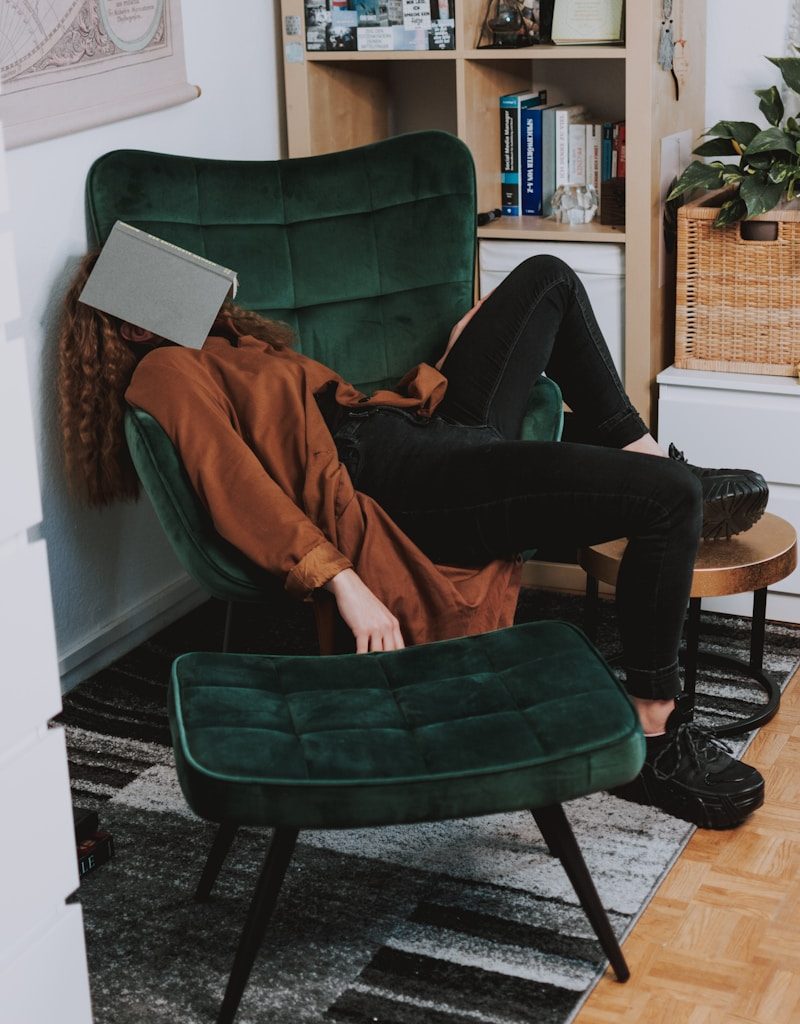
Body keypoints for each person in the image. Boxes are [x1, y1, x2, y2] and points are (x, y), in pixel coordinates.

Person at [58, 250, 769, 830]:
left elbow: (329, 407)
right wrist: (345, 582)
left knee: (547, 277)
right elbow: (237, 486)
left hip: (418, 430)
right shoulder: (165, 371)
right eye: (164, 281)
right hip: (408, 482)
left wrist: (452, 360)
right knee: (669, 503)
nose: (195, 285)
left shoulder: (221, 346)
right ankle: (654, 734)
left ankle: (649, 458)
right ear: (129, 328)